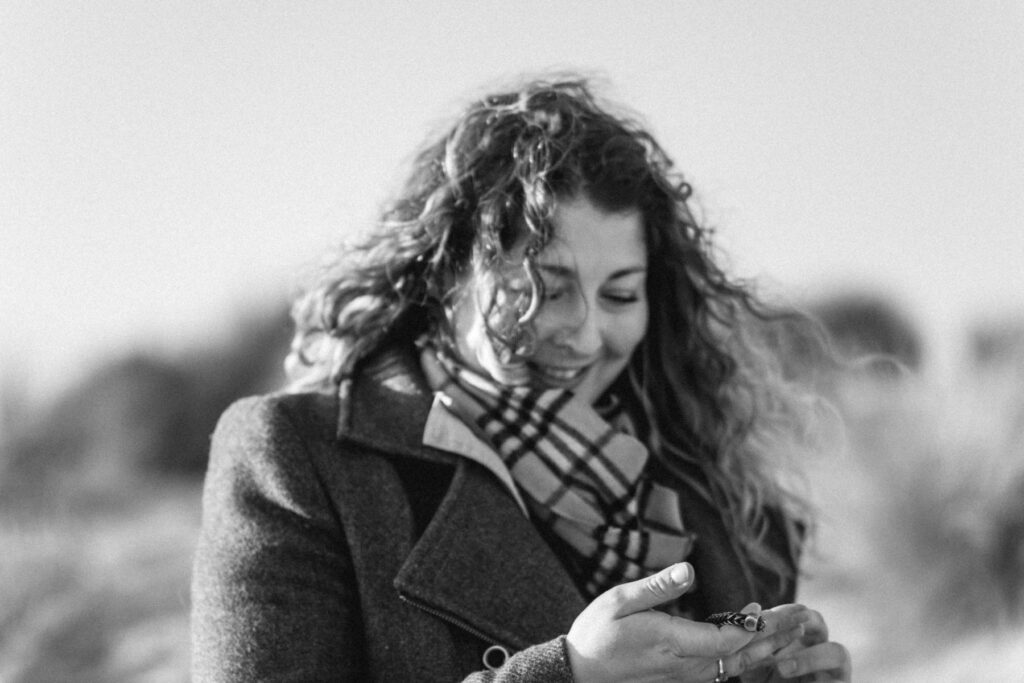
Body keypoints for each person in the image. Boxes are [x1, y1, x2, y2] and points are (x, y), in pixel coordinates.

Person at [191, 75, 852, 682]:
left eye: (621, 295)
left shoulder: (714, 498)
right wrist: (566, 673)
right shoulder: (302, 460)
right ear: (447, 276)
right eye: (544, 288)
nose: (587, 333)